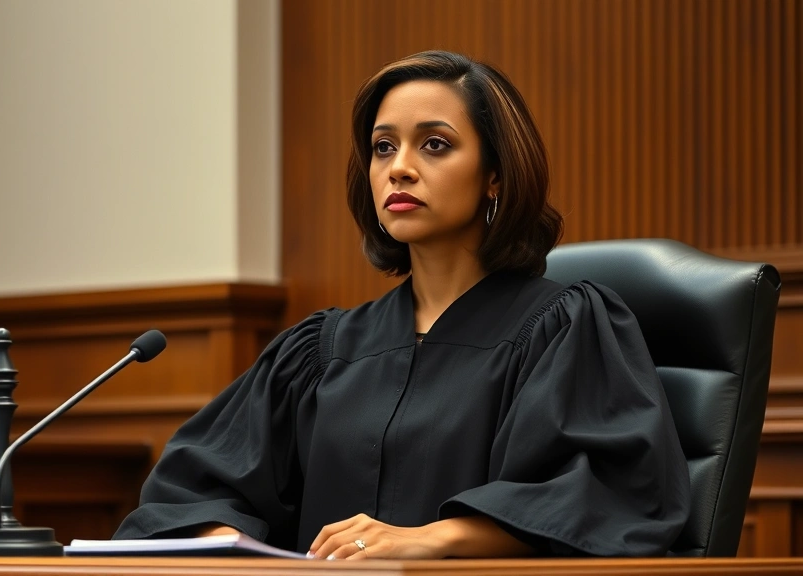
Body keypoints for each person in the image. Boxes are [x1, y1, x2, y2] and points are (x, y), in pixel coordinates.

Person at [114, 50, 690, 559]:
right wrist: (235, 547)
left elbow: (610, 495)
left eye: (434, 144)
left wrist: (430, 538)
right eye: (383, 147)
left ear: (494, 175)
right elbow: (189, 489)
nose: (400, 167)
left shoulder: (565, 326)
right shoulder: (321, 352)